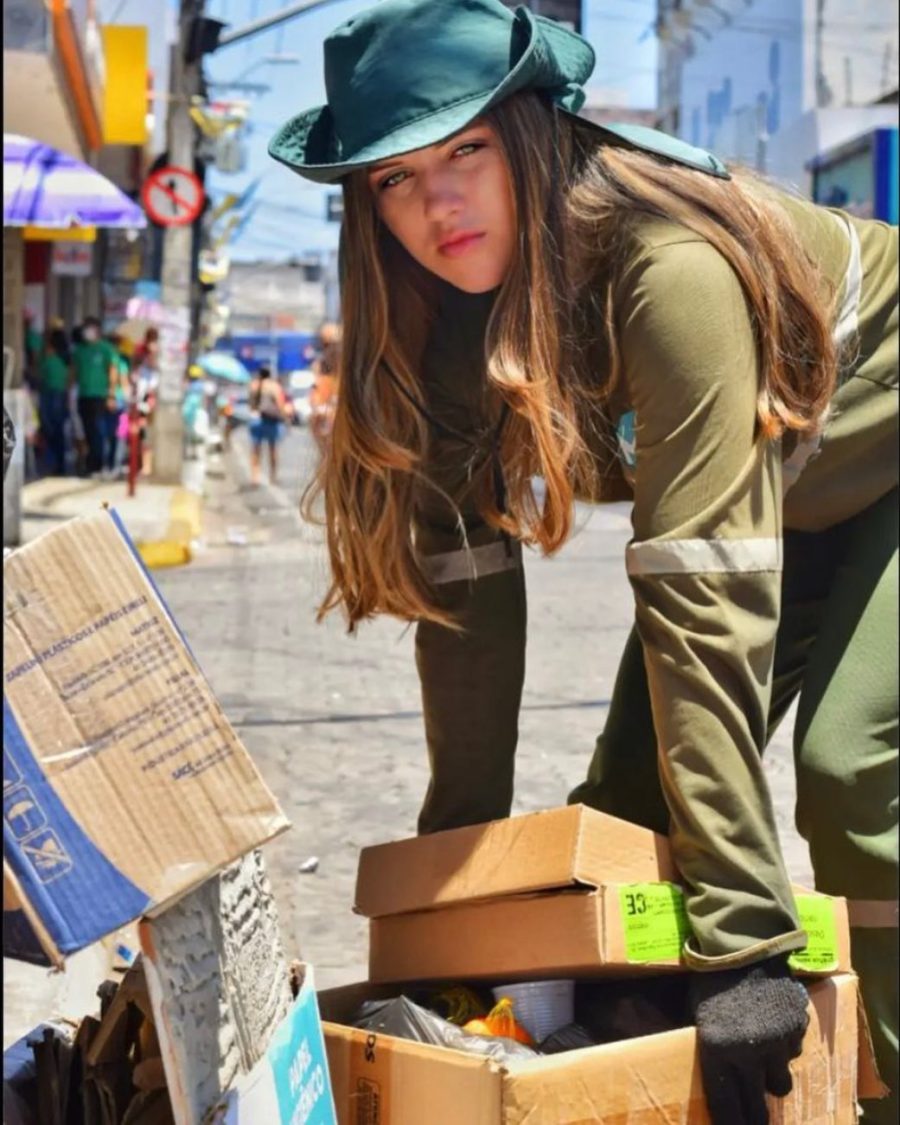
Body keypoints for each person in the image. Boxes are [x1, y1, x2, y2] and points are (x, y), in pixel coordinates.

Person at [269, 2, 898, 1122]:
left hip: (879, 465)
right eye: (394, 179)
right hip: (800, 499)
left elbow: (705, 604)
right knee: (616, 813)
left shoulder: (669, 266)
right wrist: (444, 917)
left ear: (529, 133)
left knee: (853, 771)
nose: (436, 203)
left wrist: (744, 944)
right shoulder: (449, 337)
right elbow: (468, 624)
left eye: (464, 150)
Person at [71, 316, 117, 476]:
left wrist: (111, 394)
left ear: (97, 330)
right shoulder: (79, 350)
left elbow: (112, 371)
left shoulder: (106, 349)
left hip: (99, 396)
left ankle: (99, 464)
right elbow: (73, 372)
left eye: (89, 328)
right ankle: (90, 464)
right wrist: (68, 392)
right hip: (83, 395)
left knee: (98, 430)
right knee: (86, 431)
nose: (87, 332)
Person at [36, 319, 70, 477]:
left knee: (52, 429)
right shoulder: (60, 360)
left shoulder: (54, 360)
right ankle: (57, 463)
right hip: (55, 394)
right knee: (55, 429)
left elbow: (40, 375)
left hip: (53, 395)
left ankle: (55, 463)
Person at [247, 366, 288, 486]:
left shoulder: (253, 385)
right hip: (270, 421)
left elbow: (250, 404)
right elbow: (281, 405)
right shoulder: (274, 386)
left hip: (255, 419)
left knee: (255, 449)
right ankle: (273, 476)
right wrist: (285, 418)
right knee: (272, 449)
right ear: (270, 375)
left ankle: (255, 477)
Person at [309, 322, 342, 454]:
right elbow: (316, 398)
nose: (330, 349)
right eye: (326, 345)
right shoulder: (320, 367)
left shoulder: (352, 368)